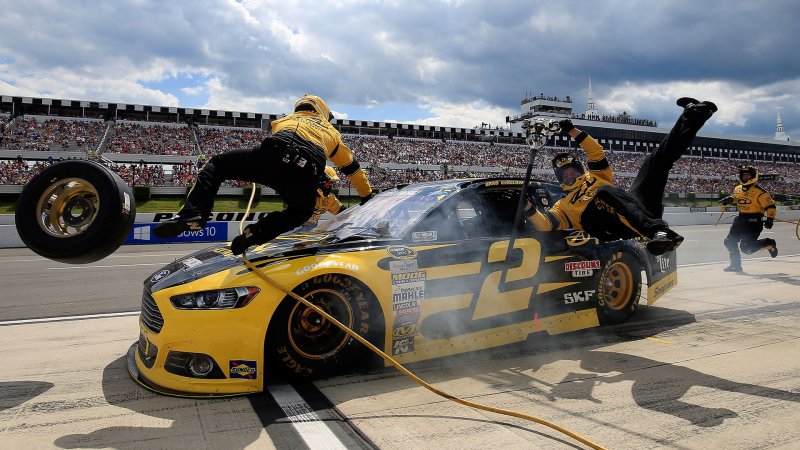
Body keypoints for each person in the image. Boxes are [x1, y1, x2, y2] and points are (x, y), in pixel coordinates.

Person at [154, 94, 374, 254]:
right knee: (300, 212)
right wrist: (366, 196)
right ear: (323, 113)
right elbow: (352, 169)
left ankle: (194, 213)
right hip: (308, 169)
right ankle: (257, 233)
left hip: (273, 154)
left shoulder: (285, 120)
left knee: (217, 164)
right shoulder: (331, 132)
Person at [524, 97, 717, 255]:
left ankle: (693, 115)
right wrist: (527, 207)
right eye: (564, 174)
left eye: (572, 170)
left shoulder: (598, 175)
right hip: (607, 227)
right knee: (604, 192)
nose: (569, 175)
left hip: (633, 208)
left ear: (580, 169)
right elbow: (545, 224)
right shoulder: (563, 205)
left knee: (655, 162)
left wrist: (573, 131)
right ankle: (659, 233)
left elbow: (596, 152)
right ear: (559, 179)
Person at [717, 164, 778, 272]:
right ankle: (735, 265)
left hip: (753, 222)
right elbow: (737, 197)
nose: (745, 177)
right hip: (740, 220)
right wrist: (730, 199)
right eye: (743, 175)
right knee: (729, 242)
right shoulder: (738, 188)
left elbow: (770, 206)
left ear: (753, 176)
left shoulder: (762, 192)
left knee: (747, 248)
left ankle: (769, 243)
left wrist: (770, 219)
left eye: (748, 176)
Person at [297, 165, 347, 231]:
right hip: (295, 225)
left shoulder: (329, 198)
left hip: (311, 227)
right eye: (327, 183)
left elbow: (343, 211)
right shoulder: (303, 192)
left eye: (331, 183)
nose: (329, 186)